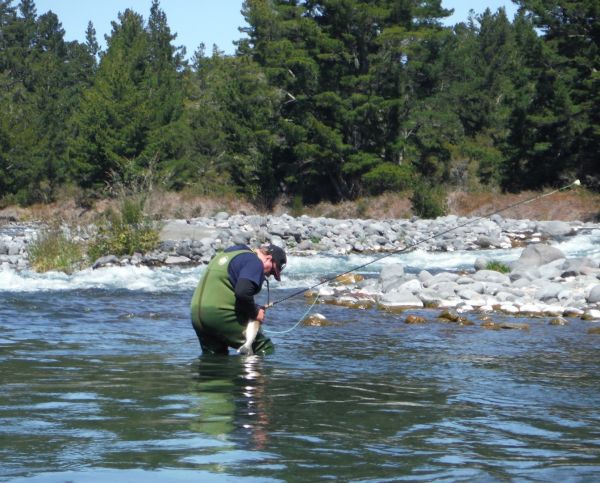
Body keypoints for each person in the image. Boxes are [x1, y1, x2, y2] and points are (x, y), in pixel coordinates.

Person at [190, 243, 287, 355]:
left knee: (215, 358)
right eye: (272, 271)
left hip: (196, 315)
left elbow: (228, 289)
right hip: (219, 315)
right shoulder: (255, 262)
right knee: (264, 347)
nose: (269, 275)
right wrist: (255, 313)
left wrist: (253, 307)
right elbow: (243, 293)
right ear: (268, 258)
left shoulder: (229, 254)